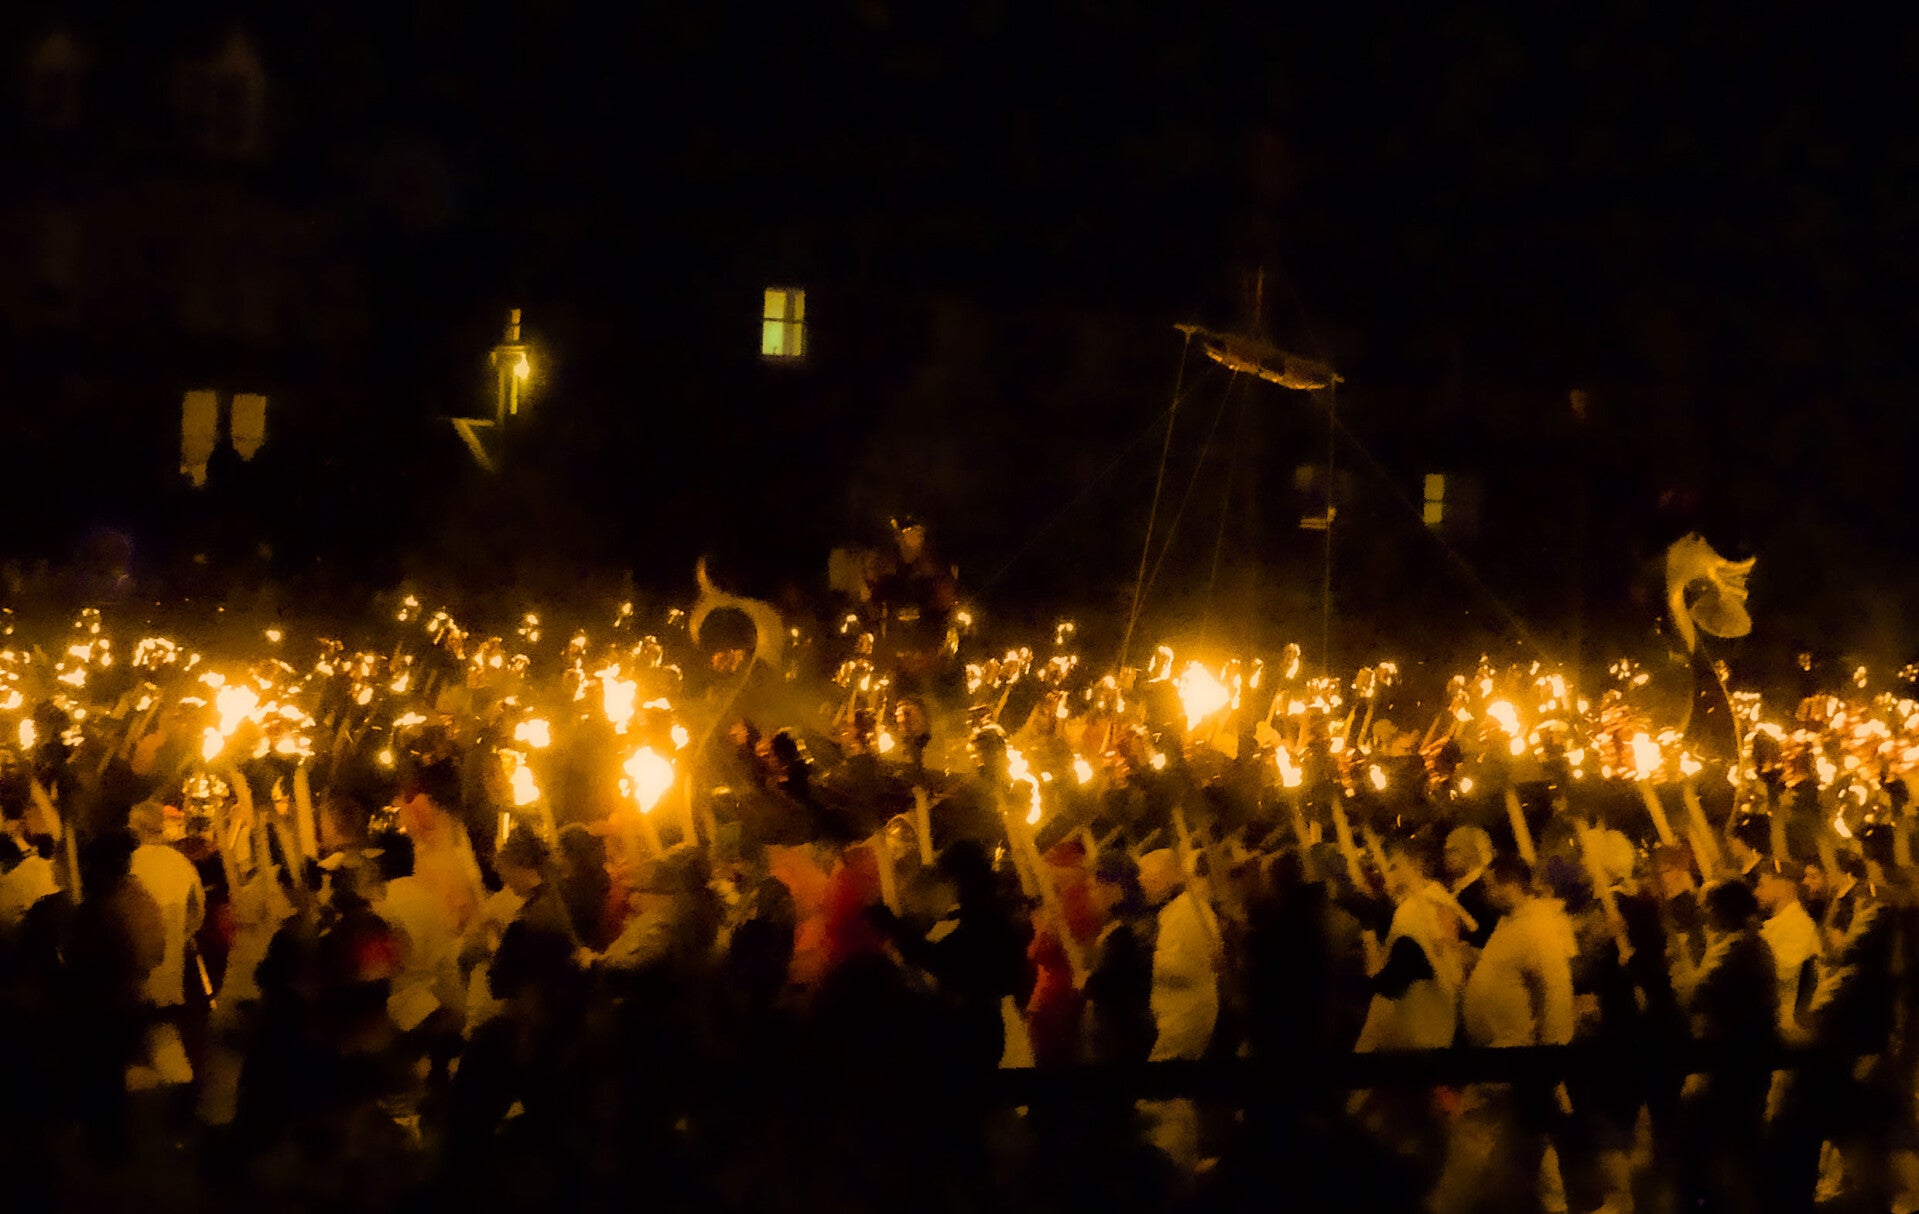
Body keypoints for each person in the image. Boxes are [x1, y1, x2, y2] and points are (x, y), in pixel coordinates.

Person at [1431, 853, 1577, 1214]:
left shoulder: (1538, 928)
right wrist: (1470, 960)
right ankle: (1552, 1205)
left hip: (1515, 1053)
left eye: (1493, 885)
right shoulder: (1512, 922)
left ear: (1511, 885)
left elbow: (1556, 993)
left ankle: (1449, 1203)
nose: (1488, 894)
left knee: (1475, 1130)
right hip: (1506, 1052)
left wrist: (1550, 1058)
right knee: (1531, 1140)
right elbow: (1505, 971)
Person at [127, 799, 205, 1089]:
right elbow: (197, 913)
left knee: (152, 1047)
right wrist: (180, 935)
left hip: (138, 969)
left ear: (137, 828)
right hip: (172, 966)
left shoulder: (131, 864)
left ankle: (174, 1104)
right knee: (165, 1036)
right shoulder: (181, 864)